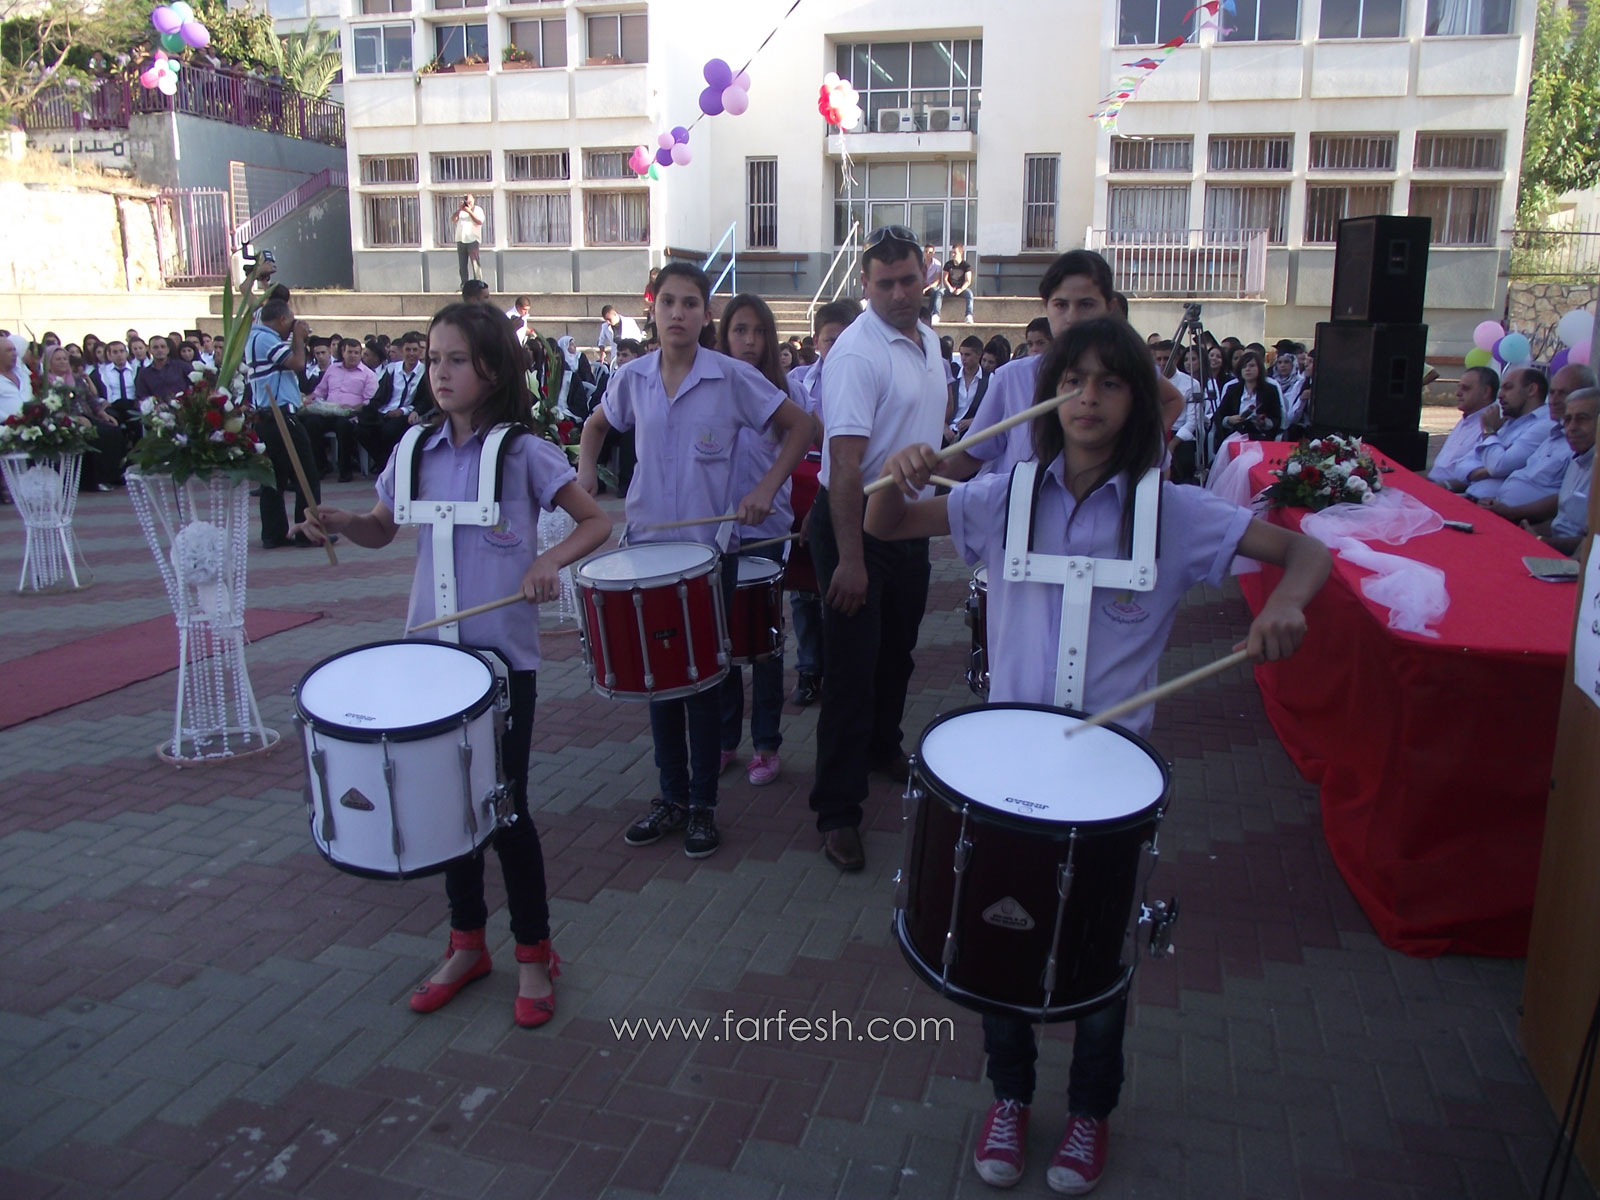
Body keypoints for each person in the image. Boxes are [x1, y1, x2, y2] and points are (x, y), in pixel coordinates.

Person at [864, 316, 1330, 1196]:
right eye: (1071, 380)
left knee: (1100, 954)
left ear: (1137, 403)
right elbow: (885, 521)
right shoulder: (1002, 496)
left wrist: (1285, 605)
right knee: (999, 936)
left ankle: (1089, 1111)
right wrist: (902, 470)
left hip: (1113, 778)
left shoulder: (1173, 513)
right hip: (1008, 763)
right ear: (1047, 397)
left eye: (1110, 382)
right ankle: (1010, 1095)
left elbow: (1306, 552)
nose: (1087, 397)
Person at [294, 302, 611, 1029]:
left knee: (507, 811)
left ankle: (533, 952)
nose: (440, 371)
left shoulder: (525, 452)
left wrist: (549, 561)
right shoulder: (414, 448)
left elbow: (595, 521)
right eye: (434, 358)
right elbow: (380, 529)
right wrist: (342, 523)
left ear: (493, 368)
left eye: (457, 359)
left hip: (501, 667)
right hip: (429, 664)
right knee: (445, 813)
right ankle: (467, 944)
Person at [576, 263, 812, 858]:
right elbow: (595, 428)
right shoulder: (632, 378)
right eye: (668, 303)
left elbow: (800, 426)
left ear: (707, 314)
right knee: (656, 683)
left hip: (709, 558)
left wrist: (765, 490)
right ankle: (672, 797)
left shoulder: (731, 377)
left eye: (689, 303)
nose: (677, 313)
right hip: (646, 553)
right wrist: (584, 482)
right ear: (653, 310)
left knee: (704, 681)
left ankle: (704, 804)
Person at [806, 225, 950, 873]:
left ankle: (882, 747)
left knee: (898, 652)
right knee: (850, 672)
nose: (898, 293)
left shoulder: (931, 341)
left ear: (926, 277)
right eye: (884, 283)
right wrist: (851, 560)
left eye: (908, 279)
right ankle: (837, 811)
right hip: (854, 524)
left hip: (906, 521)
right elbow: (843, 467)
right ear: (864, 285)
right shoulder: (857, 354)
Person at [924, 249, 1187, 484]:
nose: (1072, 318)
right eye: (1061, 305)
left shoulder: (1132, 373)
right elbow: (972, 454)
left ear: (1110, 308)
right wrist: (922, 471)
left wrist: (1146, 440)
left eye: (1086, 304)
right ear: (1047, 307)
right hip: (1022, 515)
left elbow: (1171, 408)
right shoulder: (1012, 378)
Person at [716, 294, 818, 786]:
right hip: (718, 535)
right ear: (724, 335)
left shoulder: (787, 392)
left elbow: (817, 440)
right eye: (740, 330)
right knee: (722, 642)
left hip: (767, 535)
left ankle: (766, 744)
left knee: (764, 643)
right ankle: (724, 739)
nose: (750, 341)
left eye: (759, 331)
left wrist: (791, 498)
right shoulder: (710, 389)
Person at [788, 300, 858, 707]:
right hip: (800, 492)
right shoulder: (798, 382)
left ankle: (839, 670)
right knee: (801, 592)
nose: (838, 347)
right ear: (816, 341)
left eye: (846, 338)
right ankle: (809, 668)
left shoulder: (862, 380)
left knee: (836, 588)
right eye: (831, 340)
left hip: (841, 493)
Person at [245, 298, 321, 549]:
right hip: (279, 416)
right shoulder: (265, 339)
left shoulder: (256, 337)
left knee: (274, 477)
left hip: (268, 416)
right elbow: (297, 363)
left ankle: (274, 533)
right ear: (282, 319)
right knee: (306, 475)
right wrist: (298, 337)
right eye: (290, 322)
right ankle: (307, 532)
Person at [1482, 364, 1596, 524]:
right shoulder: (1555, 433)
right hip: (1503, 512)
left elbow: (1498, 466)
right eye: (1552, 392)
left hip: (1521, 521)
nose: (1554, 400)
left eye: (1563, 393)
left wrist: (1513, 514)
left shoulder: (1579, 443)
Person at [1458, 367, 1553, 501]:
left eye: (1508, 388)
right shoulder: (1506, 423)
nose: (1500, 395)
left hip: (1494, 506)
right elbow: (1461, 466)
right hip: (1469, 498)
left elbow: (1499, 466)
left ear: (1531, 390)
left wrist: (1489, 431)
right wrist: (1488, 470)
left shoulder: (1544, 425)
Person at [46, 347, 126, 490]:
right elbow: (50, 407)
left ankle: (114, 476)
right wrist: (74, 418)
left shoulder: (76, 379)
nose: (63, 362)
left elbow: (90, 399)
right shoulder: (46, 382)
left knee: (114, 431)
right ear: (49, 362)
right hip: (66, 420)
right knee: (98, 435)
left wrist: (102, 413)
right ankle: (97, 480)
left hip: (88, 415)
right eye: (58, 359)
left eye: (65, 359)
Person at [304, 338, 379, 481]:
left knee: (343, 426)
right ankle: (321, 465)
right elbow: (320, 390)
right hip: (328, 411)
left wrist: (354, 408)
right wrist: (309, 398)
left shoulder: (368, 374)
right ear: (343, 352)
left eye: (356, 352)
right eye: (350, 352)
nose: (353, 356)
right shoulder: (332, 369)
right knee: (311, 423)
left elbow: (369, 402)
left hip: (351, 414)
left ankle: (345, 469)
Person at [362, 331, 432, 470]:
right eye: (408, 350)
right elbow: (380, 395)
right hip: (386, 409)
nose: (411, 353)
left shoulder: (425, 372)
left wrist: (404, 411)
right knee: (360, 429)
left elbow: (426, 400)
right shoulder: (392, 369)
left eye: (415, 350)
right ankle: (383, 462)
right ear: (402, 351)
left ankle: (390, 464)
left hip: (407, 412)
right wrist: (367, 411)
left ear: (420, 352)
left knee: (389, 431)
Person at [1539, 387, 1596, 556]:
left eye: (1582, 419)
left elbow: (1592, 542)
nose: (1571, 427)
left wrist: (1542, 541)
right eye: (1568, 419)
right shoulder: (1576, 459)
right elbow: (1561, 525)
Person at [1426, 366, 1498, 488]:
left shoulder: (1492, 424)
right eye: (1458, 387)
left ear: (1486, 392)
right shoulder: (1467, 417)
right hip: (1433, 483)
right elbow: (1440, 469)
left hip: (1448, 491)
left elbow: (1480, 474)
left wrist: (1440, 487)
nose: (1457, 393)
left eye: (1466, 388)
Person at [1211, 349, 1282, 452]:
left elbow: (1277, 419)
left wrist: (1264, 422)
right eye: (1244, 367)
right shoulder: (1233, 389)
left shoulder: (1270, 390)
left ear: (1259, 368)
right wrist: (1229, 420)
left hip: (1260, 436)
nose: (1247, 369)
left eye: (1251, 366)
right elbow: (1219, 415)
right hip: (1235, 434)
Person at [946, 335, 990, 442]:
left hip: (974, 432)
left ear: (979, 355)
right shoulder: (952, 375)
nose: (963, 358)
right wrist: (944, 426)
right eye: (961, 354)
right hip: (949, 429)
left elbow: (992, 410)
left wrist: (974, 421)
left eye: (967, 355)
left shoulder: (989, 378)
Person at [134, 334, 189, 405]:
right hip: (158, 409)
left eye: (163, 347)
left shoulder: (182, 367)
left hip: (183, 408)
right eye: (155, 347)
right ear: (149, 350)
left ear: (168, 350)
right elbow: (141, 397)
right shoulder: (144, 374)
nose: (160, 350)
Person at [932, 242, 977, 324]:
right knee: (939, 292)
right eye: (952, 252)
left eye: (955, 253)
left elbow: (968, 281)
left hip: (961, 289)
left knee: (969, 294)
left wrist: (960, 289)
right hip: (950, 289)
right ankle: (936, 315)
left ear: (961, 253)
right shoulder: (948, 265)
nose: (952, 255)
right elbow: (945, 279)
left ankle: (968, 315)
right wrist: (950, 288)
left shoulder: (966, 266)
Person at [454, 194, 486, 286]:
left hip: (473, 240)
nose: (468, 204)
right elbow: (453, 219)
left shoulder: (477, 210)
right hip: (460, 240)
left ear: (473, 200)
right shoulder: (461, 211)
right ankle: (464, 284)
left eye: (469, 202)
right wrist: (459, 209)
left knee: (475, 264)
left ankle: (478, 284)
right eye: (466, 202)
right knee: (462, 265)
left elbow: (479, 221)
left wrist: (469, 211)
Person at [0, 333, 30, 419]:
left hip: (32, 423)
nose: (14, 354)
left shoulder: (23, 374)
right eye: (9, 350)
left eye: (14, 350)